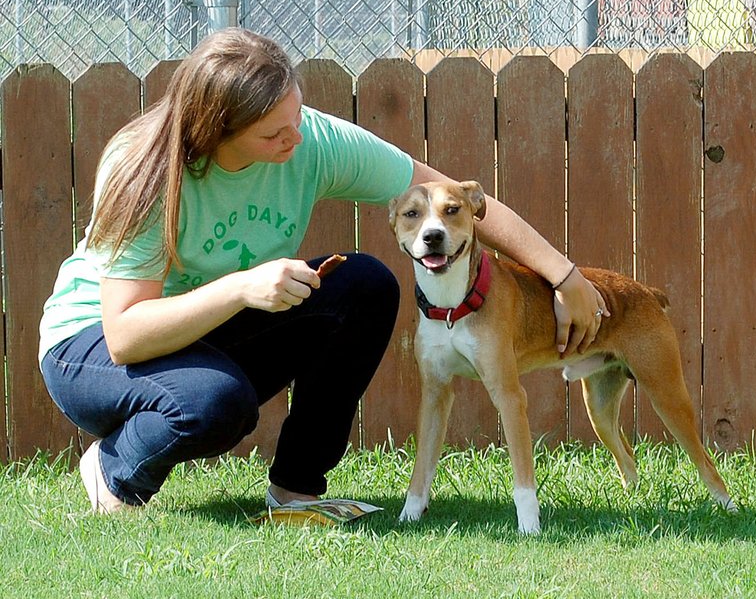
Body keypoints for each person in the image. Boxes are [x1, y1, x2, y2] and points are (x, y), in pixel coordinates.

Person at [38, 27, 608, 513]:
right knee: (215, 404)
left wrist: (566, 277)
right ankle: (115, 469)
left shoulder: (308, 138)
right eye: (274, 132)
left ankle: (296, 490)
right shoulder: (145, 167)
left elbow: (454, 195)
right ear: (215, 131)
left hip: (205, 327)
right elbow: (126, 335)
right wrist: (241, 288)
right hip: (90, 344)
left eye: (296, 115)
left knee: (362, 287)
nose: (296, 137)